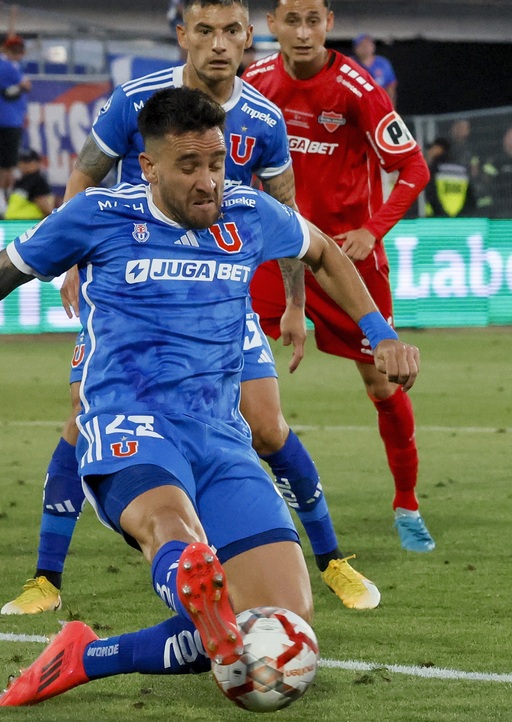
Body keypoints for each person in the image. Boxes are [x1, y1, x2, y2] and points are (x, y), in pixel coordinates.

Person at [0, 86, 417, 707]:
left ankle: (86, 656)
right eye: (189, 166)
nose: (208, 182)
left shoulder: (248, 211)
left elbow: (325, 252)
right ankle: (193, 586)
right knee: (171, 528)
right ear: (149, 167)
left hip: (221, 439)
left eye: (217, 163)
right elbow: (8, 270)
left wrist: (380, 333)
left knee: (280, 631)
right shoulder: (98, 215)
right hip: (130, 427)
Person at [1, 0, 383, 617]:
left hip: (223, 300)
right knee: (84, 417)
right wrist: (73, 257)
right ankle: (47, 576)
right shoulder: (134, 107)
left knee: (267, 427)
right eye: (205, 30)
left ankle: (330, 559)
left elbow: (303, 233)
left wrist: (300, 306)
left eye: (231, 31)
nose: (219, 44)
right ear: (184, 36)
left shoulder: (261, 133)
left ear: (248, 36)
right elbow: (83, 177)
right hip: (130, 302)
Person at [246, 0, 435, 551]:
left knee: (383, 383)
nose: (303, 32)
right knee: (222, 361)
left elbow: (413, 167)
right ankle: (234, 494)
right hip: (273, 253)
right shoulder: (255, 81)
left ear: (329, 24)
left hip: (345, 261)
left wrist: (373, 230)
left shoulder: (358, 88)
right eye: (292, 20)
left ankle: (407, 504)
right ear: (272, 26)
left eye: (314, 20)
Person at [0, 35, 30, 198]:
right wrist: (21, 86)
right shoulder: (7, 67)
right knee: (7, 164)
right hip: (8, 122)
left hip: (11, 120)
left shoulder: (13, 66)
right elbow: (26, 85)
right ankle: (3, 197)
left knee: (8, 163)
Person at [424, 136, 475, 218]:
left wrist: (441, 213)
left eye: (433, 148)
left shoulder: (435, 169)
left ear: (440, 149)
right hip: (459, 217)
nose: (429, 152)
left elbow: (430, 193)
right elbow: (470, 196)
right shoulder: (461, 169)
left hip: (435, 217)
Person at [4, 147, 53, 219]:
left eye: (28, 162)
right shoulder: (20, 181)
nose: (24, 165)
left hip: (29, 222)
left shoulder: (37, 180)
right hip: (14, 223)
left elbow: (44, 204)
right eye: (22, 161)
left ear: (37, 163)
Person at [352, 33, 396, 108]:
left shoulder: (383, 63)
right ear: (356, 49)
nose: (366, 48)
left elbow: (390, 86)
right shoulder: (349, 63)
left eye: (368, 44)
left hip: (378, 106)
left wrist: (391, 108)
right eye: (362, 45)